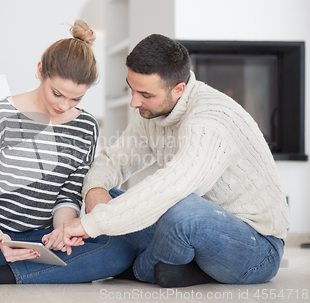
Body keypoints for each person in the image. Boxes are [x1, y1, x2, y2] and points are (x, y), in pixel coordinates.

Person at [0, 20, 134, 285]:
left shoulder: (85, 127)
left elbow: (68, 194)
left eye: (75, 99)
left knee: (120, 249)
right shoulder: (2, 114)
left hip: (43, 238)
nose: (64, 105)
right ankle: (43, 268)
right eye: (57, 93)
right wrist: (0, 239)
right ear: (40, 71)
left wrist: (61, 233)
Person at [63, 34, 290, 288]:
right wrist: (95, 189)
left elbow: (172, 187)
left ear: (178, 90)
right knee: (113, 198)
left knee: (182, 213)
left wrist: (91, 224)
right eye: (131, 88)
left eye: (145, 94)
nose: (134, 102)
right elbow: (115, 160)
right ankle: (180, 266)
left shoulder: (209, 120)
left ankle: (136, 269)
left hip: (258, 246)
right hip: (186, 223)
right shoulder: (152, 111)